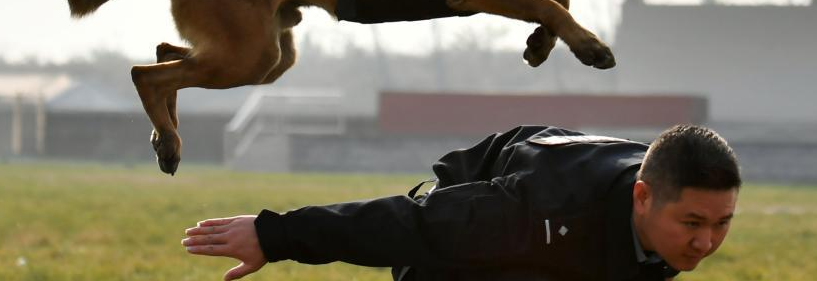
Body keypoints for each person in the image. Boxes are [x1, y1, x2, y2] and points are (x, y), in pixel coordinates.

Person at [183, 124, 741, 281]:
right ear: (643, 198)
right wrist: (273, 235)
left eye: (721, 225)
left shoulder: (662, 210)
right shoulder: (540, 212)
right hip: (449, 257)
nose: (706, 242)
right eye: (692, 223)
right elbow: (411, 224)